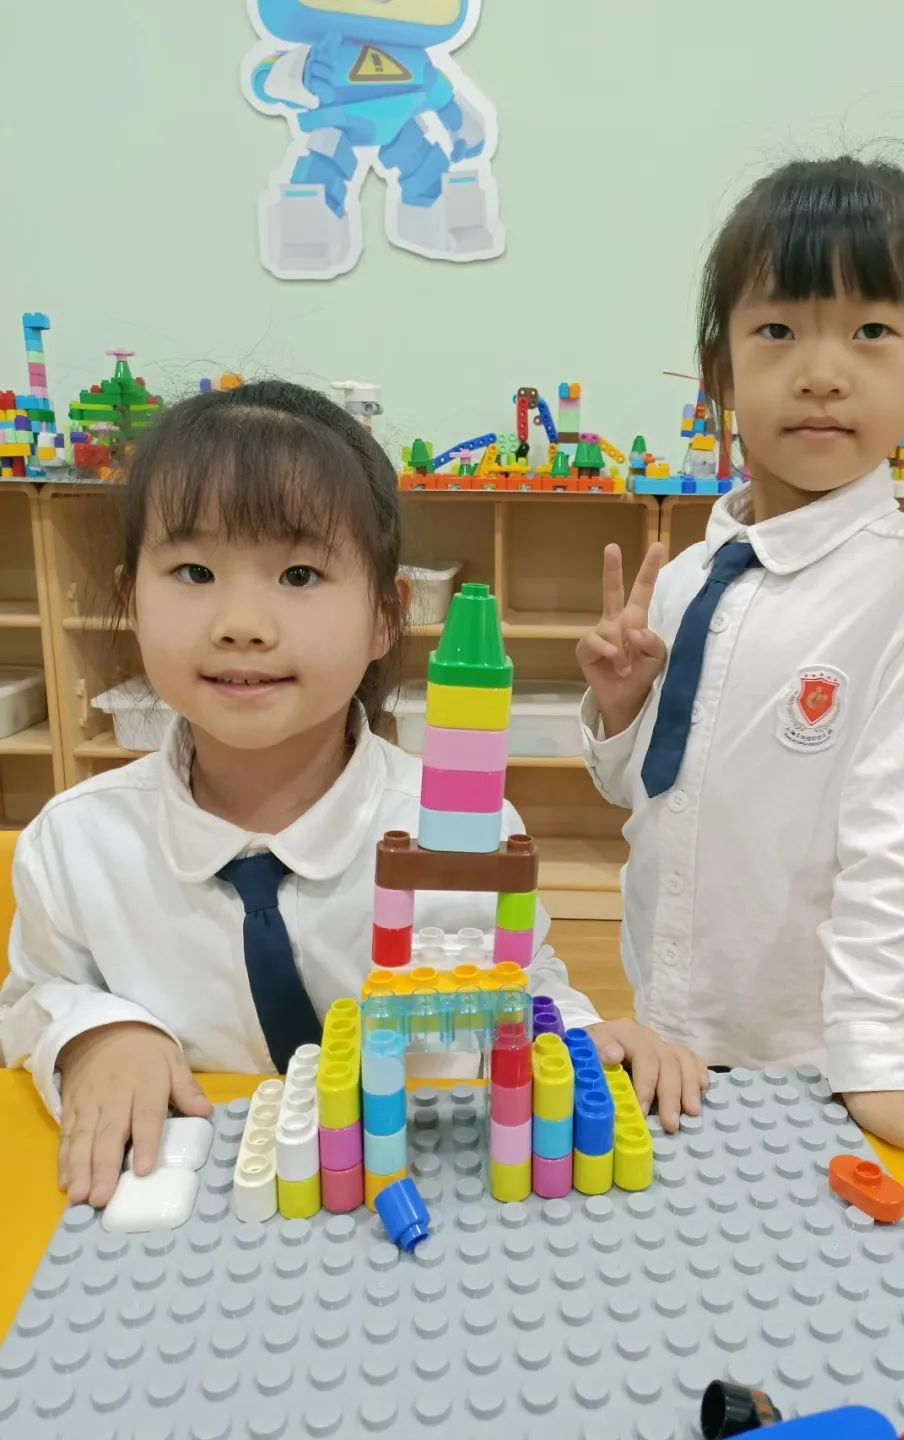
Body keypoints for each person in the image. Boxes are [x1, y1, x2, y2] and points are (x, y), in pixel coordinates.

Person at [0, 381, 703, 1210]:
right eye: (194, 571)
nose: (242, 623)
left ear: (384, 616)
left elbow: (523, 980)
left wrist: (583, 1039)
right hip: (189, 1209)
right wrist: (94, 1035)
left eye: (299, 573)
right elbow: (33, 998)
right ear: (131, 599)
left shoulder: (463, 831)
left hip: (424, 1200)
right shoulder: (74, 847)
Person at [576, 156, 904, 1198]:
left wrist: (875, 1057)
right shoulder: (691, 575)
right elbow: (645, 791)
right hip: (671, 1002)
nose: (820, 372)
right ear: (720, 371)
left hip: (813, 1036)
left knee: (818, 1223)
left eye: (870, 331)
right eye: (778, 330)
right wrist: (619, 713)